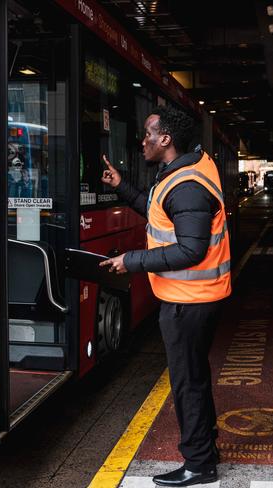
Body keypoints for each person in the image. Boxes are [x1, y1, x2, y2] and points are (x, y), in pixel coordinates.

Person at [99, 105, 231, 486]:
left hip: (190, 299)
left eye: (148, 134)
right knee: (195, 377)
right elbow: (160, 213)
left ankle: (199, 465)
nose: (143, 141)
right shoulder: (181, 174)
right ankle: (206, 448)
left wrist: (132, 260)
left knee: (187, 382)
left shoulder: (187, 185)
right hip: (193, 296)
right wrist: (122, 187)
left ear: (166, 139)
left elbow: (191, 250)